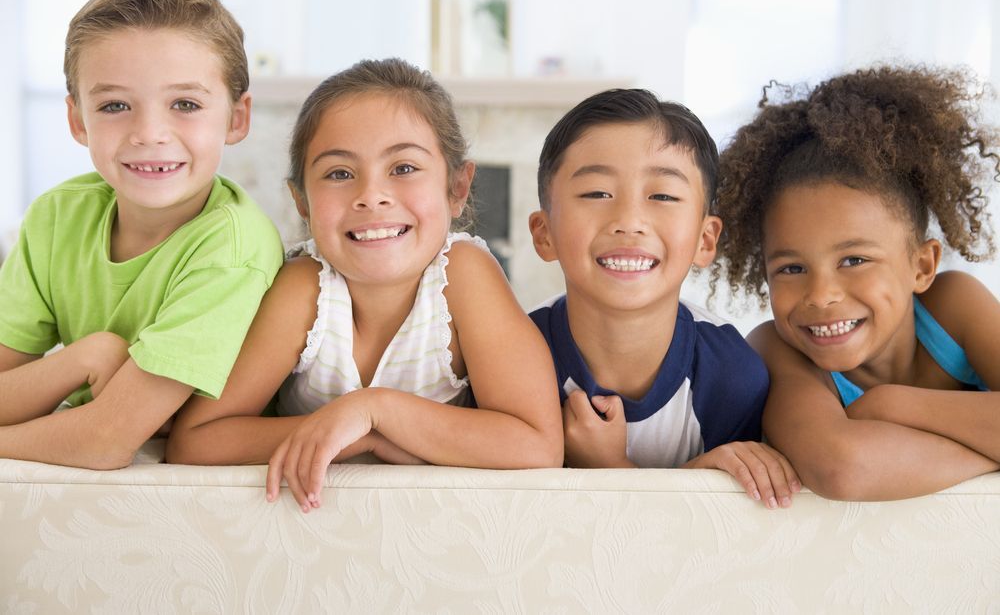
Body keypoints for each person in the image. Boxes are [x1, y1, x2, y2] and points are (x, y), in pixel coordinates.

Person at [166, 58, 563, 511]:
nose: (371, 195)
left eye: (404, 168)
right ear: (302, 202)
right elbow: (196, 441)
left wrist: (373, 410)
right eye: (339, 174)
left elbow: (537, 445)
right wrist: (359, 437)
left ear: (457, 188)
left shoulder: (463, 275)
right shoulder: (305, 289)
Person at [0, 0, 283, 469]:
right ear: (77, 120)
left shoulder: (232, 250)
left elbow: (106, 440)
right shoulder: (56, 218)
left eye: (185, 104)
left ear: (237, 118)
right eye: (115, 105)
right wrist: (84, 358)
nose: (149, 133)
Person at [713, 66, 1000, 500]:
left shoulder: (953, 306)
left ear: (922, 266)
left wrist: (893, 405)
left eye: (854, 259)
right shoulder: (776, 350)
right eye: (791, 268)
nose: (822, 295)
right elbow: (844, 469)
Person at [527, 88, 799, 509]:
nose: (629, 222)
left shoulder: (731, 376)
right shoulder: (512, 355)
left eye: (663, 196)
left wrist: (609, 466)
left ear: (705, 240)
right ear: (544, 234)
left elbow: (720, 536)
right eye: (597, 193)